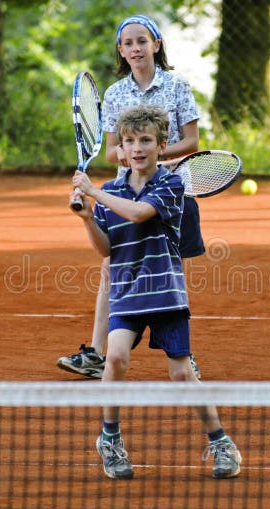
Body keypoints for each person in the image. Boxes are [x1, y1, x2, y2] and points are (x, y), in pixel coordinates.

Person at [69, 105, 241, 480]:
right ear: (121, 151)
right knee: (114, 358)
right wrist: (87, 218)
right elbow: (105, 249)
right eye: (129, 141)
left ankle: (220, 441)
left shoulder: (170, 185)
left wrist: (93, 192)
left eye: (146, 140)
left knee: (181, 375)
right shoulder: (112, 190)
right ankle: (110, 439)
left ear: (161, 146)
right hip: (127, 293)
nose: (137, 148)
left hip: (165, 294)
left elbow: (139, 214)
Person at [57, 14, 205, 380]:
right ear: (121, 52)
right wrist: (127, 155)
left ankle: (184, 355)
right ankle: (96, 353)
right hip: (127, 193)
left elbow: (192, 142)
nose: (135, 48)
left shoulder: (177, 87)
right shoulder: (115, 94)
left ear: (156, 45)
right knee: (111, 267)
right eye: (128, 44)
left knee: (170, 271)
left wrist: (153, 156)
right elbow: (110, 151)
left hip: (169, 191)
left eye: (142, 41)